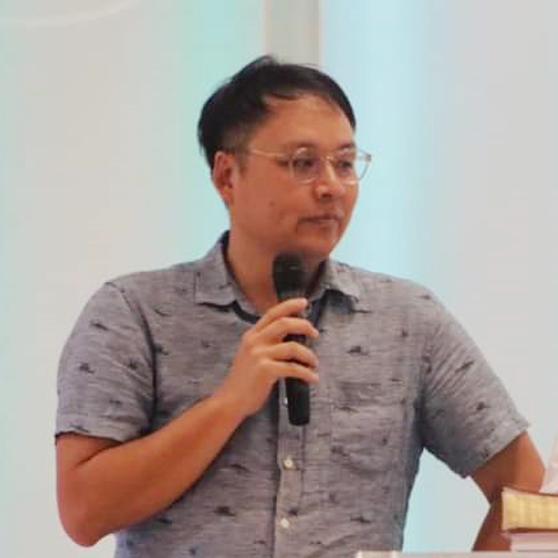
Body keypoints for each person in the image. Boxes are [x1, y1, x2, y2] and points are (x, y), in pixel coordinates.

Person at [55, 56, 544, 558]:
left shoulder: (408, 321)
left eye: (345, 163)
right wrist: (228, 404)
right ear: (227, 176)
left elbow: (526, 486)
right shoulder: (134, 313)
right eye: (302, 163)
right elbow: (83, 513)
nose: (331, 186)